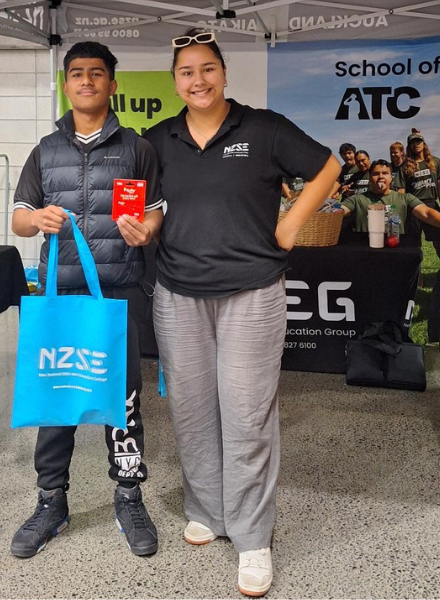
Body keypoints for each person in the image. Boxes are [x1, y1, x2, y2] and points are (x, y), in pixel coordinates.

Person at [143, 28, 340, 597]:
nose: (198, 80)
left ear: (224, 74)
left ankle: (253, 536)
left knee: (248, 414)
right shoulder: (157, 140)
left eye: (207, 69)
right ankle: (208, 509)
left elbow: (327, 168)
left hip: (252, 293)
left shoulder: (263, 128)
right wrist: (141, 228)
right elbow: (151, 209)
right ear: (175, 82)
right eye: (186, 72)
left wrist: (291, 224)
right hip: (178, 294)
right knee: (191, 409)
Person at [9, 41, 164, 559]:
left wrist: (146, 230)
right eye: (77, 73)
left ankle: (129, 496)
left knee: (123, 400)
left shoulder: (137, 148)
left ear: (112, 84)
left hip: (118, 291)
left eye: (96, 74)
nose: (86, 81)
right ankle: (51, 501)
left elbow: (156, 209)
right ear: (66, 84)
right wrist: (37, 219)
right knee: (57, 398)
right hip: (60, 291)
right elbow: (19, 218)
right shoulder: (44, 150)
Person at [341, 159, 440, 235]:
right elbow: (339, 211)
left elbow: (427, 213)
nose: (381, 177)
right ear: (370, 178)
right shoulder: (357, 199)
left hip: (395, 253)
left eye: (385, 173)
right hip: (366, 253)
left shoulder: (405, 198)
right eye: (376, 174)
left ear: (391, 178)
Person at [402, 131, 440, 261]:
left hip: (431, 204)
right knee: (414, 242)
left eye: (418, 141)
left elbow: (439, 186)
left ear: (424, 143)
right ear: (409, 146)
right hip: (414, 206)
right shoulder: (405, 165)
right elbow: (402, 190)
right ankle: (415, 271)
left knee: (439, 240)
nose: (416, 144)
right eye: (412, 143)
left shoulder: (435, 161)